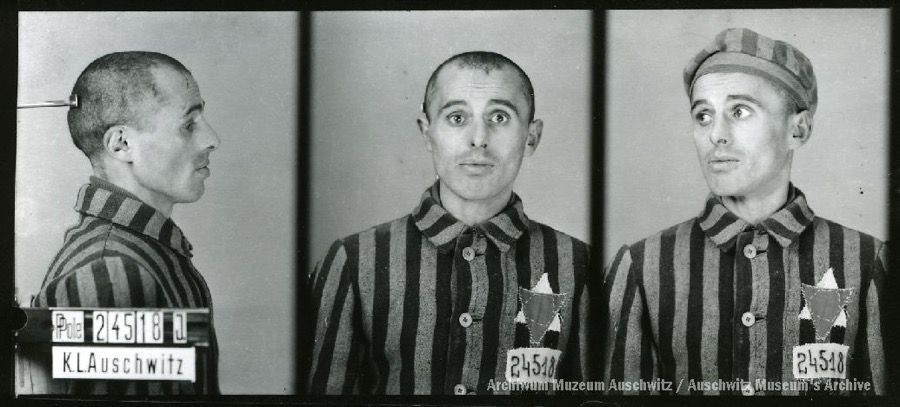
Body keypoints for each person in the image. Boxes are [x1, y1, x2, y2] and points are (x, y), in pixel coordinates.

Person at [602, 28, 888, 396]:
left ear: (797, 130)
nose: (716, 134)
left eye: (739, 111)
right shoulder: (642, 267)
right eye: (703, 115)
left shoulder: (867, 263)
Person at [306, 51, 593, 395]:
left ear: (531, 137)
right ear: (428, 134)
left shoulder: (579, 266)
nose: (478, 139)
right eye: (457, 118)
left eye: (499, 117)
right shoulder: (354, 262)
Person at [18, 51, 221, 395]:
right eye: (189, 124)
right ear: (122, 143)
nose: (211, 139)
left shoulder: (149, 253)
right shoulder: (111, 269)